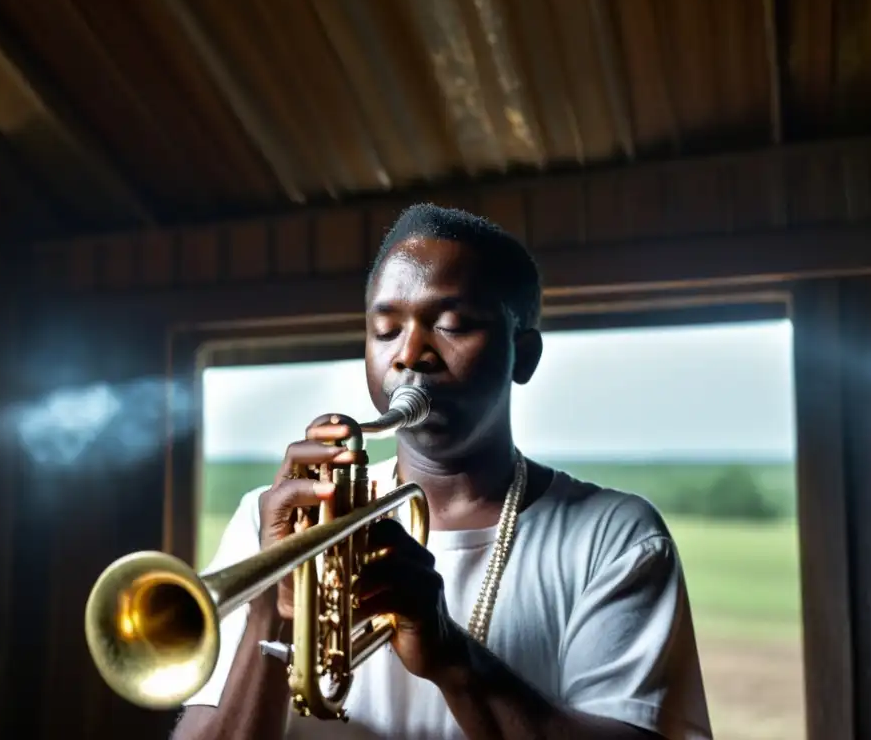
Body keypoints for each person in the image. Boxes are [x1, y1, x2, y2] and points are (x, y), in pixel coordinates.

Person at [172, 204, 712, 740]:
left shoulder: (616, 538)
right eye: (384, 331)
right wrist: (273, 601)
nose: (409, 355)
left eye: (450, 325)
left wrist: (452, 658)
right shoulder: (271, 523)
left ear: (523, 356)